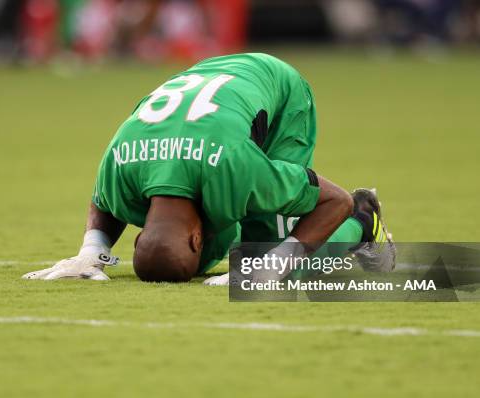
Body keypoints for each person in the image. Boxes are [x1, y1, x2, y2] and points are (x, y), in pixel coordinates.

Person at [23, 53, 395, 284]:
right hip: (211, 82)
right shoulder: (122, 166)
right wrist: (92, 251)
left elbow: (334, 200)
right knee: (191, 260)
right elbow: (105, 198)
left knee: (268, 266)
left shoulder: (239, 171)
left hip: (276, 91)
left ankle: (365, 224)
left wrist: (279, 261)